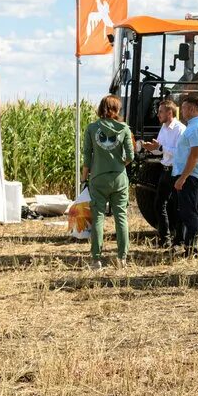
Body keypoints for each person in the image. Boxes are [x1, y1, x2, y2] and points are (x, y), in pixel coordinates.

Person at [81, 94, 134, 270]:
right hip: (119, 178)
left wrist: (84, 178)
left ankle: (96, 259)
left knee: (98, 218)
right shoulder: (124, 128)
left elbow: (87, 157)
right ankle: (122, 258)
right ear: (117, 109)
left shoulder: (92, 128)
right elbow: (130, 156)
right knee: (121, 217)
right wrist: (119, 165)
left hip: (98, 178)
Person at [140, 98, 184, 248]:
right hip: (165, 170)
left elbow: (180, 153)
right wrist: (152, 148)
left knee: (178, 207)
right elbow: (160, 149)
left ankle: (179, 240)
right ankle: (165, 240)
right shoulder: (163, 128)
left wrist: (161, 148)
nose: (157, 114)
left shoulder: (180, 129)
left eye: (160, 112)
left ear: (169, 113)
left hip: (176, 171)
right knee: (159, 204)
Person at [173, 94, 198, 257]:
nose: (181, 111)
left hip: (191, 176)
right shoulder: (194, 126)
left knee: (189, 213)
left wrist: (182, 178)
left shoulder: (197, 128)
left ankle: (191, 249)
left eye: (183, 108)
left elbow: (195, 156)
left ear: (191, 109)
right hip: (190, 175)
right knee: (194, 212)